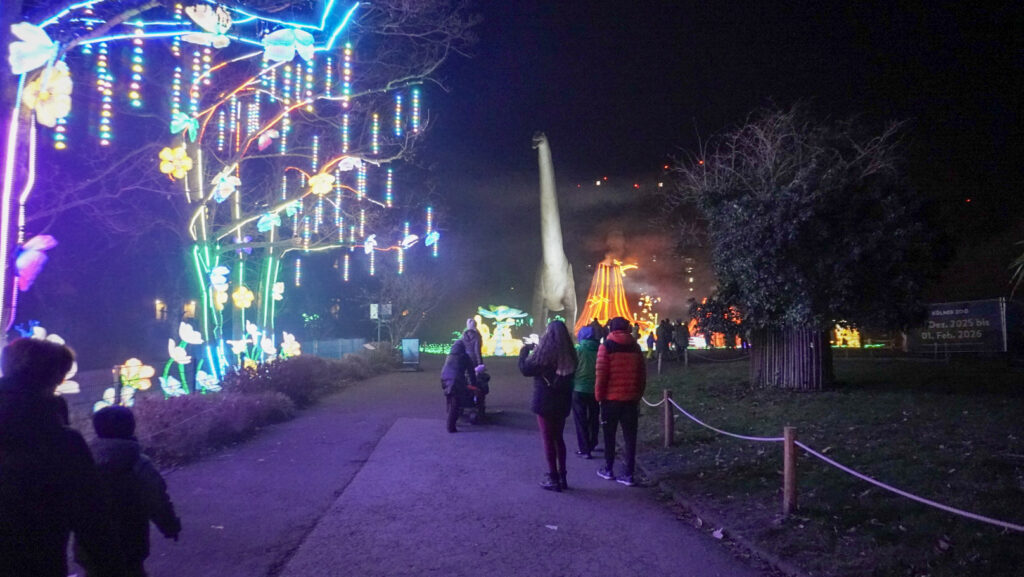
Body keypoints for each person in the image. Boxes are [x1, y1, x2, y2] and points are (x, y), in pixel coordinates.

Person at [0, 338, 125, 577]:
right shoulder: (62, 441)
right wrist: (112, 567)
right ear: (55, 378)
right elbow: (92, 517)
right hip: (38, 561)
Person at [76, 407, 181, 577]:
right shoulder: (139, 464)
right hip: (130, 542)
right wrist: (170, 526)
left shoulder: (83, 462)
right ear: (131, 427)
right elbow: (157, 500)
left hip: (89, 543)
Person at [519, 320, 577, 492]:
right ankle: (563, 476)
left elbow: (525, 369)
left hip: (544, 401)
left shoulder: (544, 353)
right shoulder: (571, 355)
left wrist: (524, 350)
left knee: (547, 439)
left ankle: (553, 477)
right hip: (563, 402)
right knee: (558, 438)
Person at [595, 316, 647, 486]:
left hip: (610, 400)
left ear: (611, 328)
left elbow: (601, 375)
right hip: (630, 400)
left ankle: (608, 469)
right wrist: (638, 395)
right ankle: (629, 474)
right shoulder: (635, 347)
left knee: (609, 435)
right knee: (630, 438)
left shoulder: (606, 346)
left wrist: (599, 396)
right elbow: (642, 375)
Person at [571, 326, 601, 459]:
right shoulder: (600, 349)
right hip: (595, 389)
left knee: (580, 419)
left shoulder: (578, 350)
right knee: (594, 417)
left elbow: (572, 367)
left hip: (579, 388)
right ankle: (593, 442)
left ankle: (584, 449)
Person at [440, 340, 478, 433]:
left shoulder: (449, 356)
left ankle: (449, 412)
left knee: (450, 397)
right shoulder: (464, 356)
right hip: (457, 380)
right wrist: (474, 385)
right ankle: (451, 427)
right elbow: (471, 372)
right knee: (457, 403)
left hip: (444, 378)